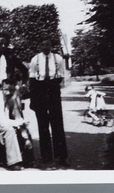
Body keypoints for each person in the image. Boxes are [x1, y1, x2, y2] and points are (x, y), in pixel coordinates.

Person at [29, 38, 69, 167]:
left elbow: (61, 75)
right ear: (39, 46)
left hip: (53, 89)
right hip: (39, 89)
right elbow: (32, 79)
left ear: (51, 46)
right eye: (43, 44)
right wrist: (33, 99)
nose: (45, 47)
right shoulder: (35, 60)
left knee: (57, 123)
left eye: (47, 44)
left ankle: (61, 156)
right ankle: (46, 156)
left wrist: (54, 87)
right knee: (43, 124)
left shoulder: (58, 58)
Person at [0, 79, 30, 171]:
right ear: (2, 88)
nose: (8, 93)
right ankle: (13, 162)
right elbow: (2, 122)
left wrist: (22, 127)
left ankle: (26, 158)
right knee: (9, 131)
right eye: (6, 90)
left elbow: (16, 117)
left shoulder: (8, 99)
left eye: (11, 90)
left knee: (16, 127)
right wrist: (19, 123)